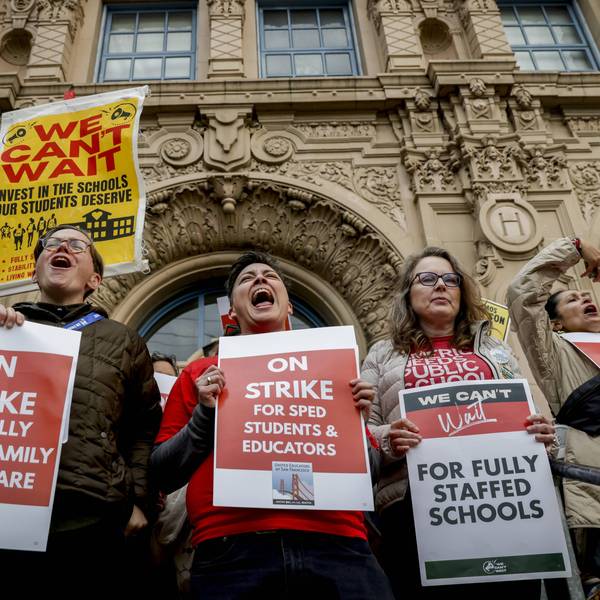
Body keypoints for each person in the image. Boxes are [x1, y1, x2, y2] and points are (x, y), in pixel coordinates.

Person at [151, 250, 394, 599]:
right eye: (247, 279)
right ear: (232, 311)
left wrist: (354, 426)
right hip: (232, 549)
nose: (260, 280)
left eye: (269, 276)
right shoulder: (201, 373)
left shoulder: (334, 372)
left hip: (338, 543)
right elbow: (163, 473)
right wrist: (205, 415)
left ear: (290, 306)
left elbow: (369, 472)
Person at [361, 246, 555, 600]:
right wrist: (389, 438)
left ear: (461, 291)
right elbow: (362, 434)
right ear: (408, 292)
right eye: (428, 278)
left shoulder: (494, 349)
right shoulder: (381, 353)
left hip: (502, 509)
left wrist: (541, 433)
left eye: (450, 280)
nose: (441, 286)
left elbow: (533, 413)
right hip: (414, 514)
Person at [0, 224, 162, 597]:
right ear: (35, 268)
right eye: (51, 244)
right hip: (11, 505)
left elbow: (143, 428)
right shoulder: (7, 329)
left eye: (77, 245)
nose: (62, 248)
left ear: (94, 278)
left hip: (89, 515)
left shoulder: (122, 341)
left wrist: (138, 502)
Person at [507, 236, 600, 599]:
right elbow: (522, 293)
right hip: (594, 503)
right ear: (556, 324)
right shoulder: (558, 355)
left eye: (587, 296)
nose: (585, 299)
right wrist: (576, 248)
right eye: (572, 300)